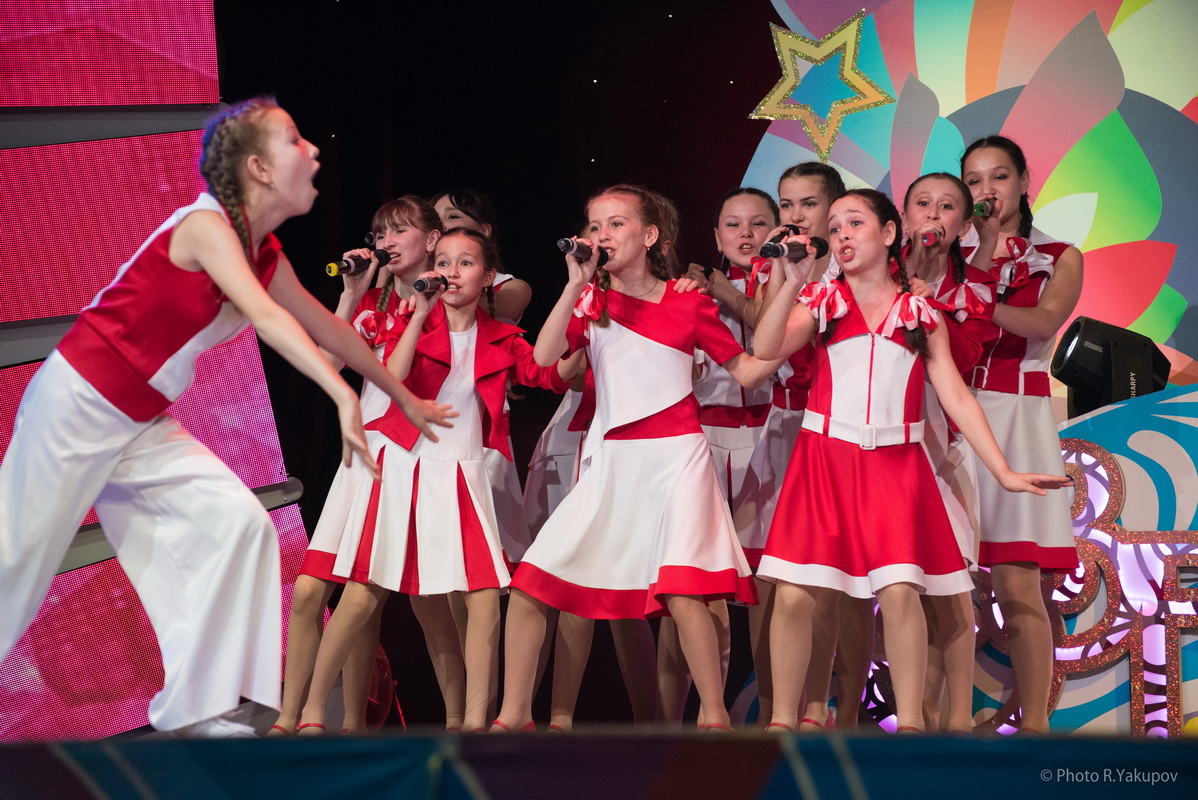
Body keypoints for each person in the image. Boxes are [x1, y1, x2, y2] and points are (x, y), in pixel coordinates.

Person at [0, 97, 453, 738]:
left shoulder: (264, 251)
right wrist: (342, 395)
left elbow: (328, 327)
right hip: (79, 404)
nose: (312, 150)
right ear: (258, 169)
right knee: (16, 560)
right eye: (294, 140)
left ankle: (195, 712)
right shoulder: (205, 226)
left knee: (240, 526)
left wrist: (401, 398)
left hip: (139, 423)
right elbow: (268, 318)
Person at [752, 188, 1071, 732]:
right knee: (796, 593)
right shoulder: (824, 302)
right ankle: (782, 724)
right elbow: (764, 349)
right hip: (823, 460)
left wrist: (1004, 472)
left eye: (855, 223)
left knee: (901, 591)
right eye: (835, 226)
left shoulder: (918, 312)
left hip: (896, 465)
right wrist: (792, 283)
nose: (842, 234)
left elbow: (958, 397)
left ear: (888, 234)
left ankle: (911, 731)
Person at [492, 184, 780, 733]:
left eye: (616, 224)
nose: (602, 235)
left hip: (677, 460)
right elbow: (546, 360)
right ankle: (514, 717)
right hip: (612, 461)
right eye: (595, 225)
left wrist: (786, 333)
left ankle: (713, 719)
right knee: (532, 584)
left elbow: (745, 370)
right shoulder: (590, 302)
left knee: (685, 593)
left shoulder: (688, 301)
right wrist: (574, 285)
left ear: (649, 236)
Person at [297, 227, 575, 734]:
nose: (451, 272)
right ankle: (312, 714)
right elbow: (392, 377)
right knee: (361, 593)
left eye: (465, 262)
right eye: (443, 262)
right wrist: (420, 315)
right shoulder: (411, 321)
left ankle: (473, 724)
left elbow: (548, 375)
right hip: (403, 466)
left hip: (461, 473)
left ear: (488, 276)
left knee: (484, 596)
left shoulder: (501, 338)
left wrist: (585, 327)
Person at [270, 195, 445, 736]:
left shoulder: (446, 305)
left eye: (400, 230)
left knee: (365, 595)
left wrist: (419, 307)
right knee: (310, 592)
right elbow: (324, 366)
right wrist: (348, 295)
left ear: (432, 240)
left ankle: (324, 721)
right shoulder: (370, 305)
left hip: (409, 456)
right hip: (361, 457)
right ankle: (291, 718)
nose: (387, 242)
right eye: (381, 233)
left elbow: (402, 376)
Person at [960, 135, 1083, 733]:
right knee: (946, 583)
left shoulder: (1059, 255)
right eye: (974, 181)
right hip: (954, 416)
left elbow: (1044, 320)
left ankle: (1034, 728)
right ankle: (939, 724)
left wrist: (973, 302)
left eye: (999, 177)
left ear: (1024, 181)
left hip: (1019, 418)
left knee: (1016, 583)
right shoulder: (947, 253)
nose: (987, 191)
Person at [658, 187, 777, 725]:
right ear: (715, 236)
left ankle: (775, 717)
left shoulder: (798, 286)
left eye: (758, 223)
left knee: (769, 589)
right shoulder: (687, 293)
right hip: (701, 443)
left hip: (770, 442)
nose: (746, 234)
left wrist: (728, 289)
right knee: (690, 589)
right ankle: (672, 726)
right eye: (733, 224)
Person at [900, 172, 998, 732]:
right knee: (901, 592)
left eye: (946, 207)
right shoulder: (872, 278)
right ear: (903, 217)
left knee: (952, 591)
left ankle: (957, 724)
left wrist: (927, 305)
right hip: (887, 449)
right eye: (922, 204)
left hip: (945, 451)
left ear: (963, 226)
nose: (932, 215)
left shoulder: (974, 289)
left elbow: (962, 360)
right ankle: (915, 720)